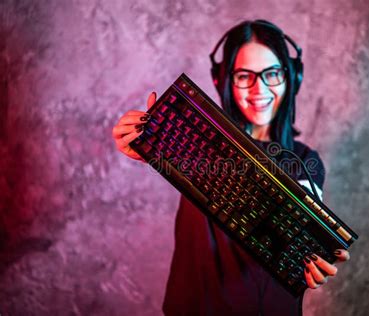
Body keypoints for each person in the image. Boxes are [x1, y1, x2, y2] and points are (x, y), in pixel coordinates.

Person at [112, 20, 350, 315]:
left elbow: (304, 242)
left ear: (292, 78)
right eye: (243, 76)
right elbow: (167, 149)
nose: (258, 89)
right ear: (224, 80)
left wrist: (314, 255)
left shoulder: (304, 162)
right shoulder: (196, 141)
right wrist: (147, 142)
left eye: (272, 74)